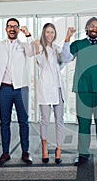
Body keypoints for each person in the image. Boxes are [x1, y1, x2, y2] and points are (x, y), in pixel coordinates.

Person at [0, 16, 34, 167]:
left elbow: (32, 52)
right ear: (6, 29)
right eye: (9, 26)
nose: (12, 28)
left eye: (15, 26)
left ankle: (25, 152)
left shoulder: (23, 45)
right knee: (5, 122)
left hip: (21, 88)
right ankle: (5, 153)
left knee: (24, 121)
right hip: (4, 88)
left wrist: (28, 35)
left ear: (18, 29)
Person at [63, 17, 97, 166]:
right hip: (83, 90)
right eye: (92, 26)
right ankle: (83, 155)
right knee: (84, 124)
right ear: (87, 28)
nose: (95, 28)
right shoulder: (78, 44)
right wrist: (67, 38)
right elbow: (65, 58)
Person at [34, 23, 76, 164]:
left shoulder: (57, 49)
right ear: (43, 33)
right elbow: (41, 63)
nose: (50, 34)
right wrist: (36, 48)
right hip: (45, 89)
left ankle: (59, 149)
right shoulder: (40, 48)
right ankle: (44, 148)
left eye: (52, 32)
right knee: (45, 120)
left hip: (58, 89)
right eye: (47, 32)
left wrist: (67, 38)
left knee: (59, 120)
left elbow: (66, 57)